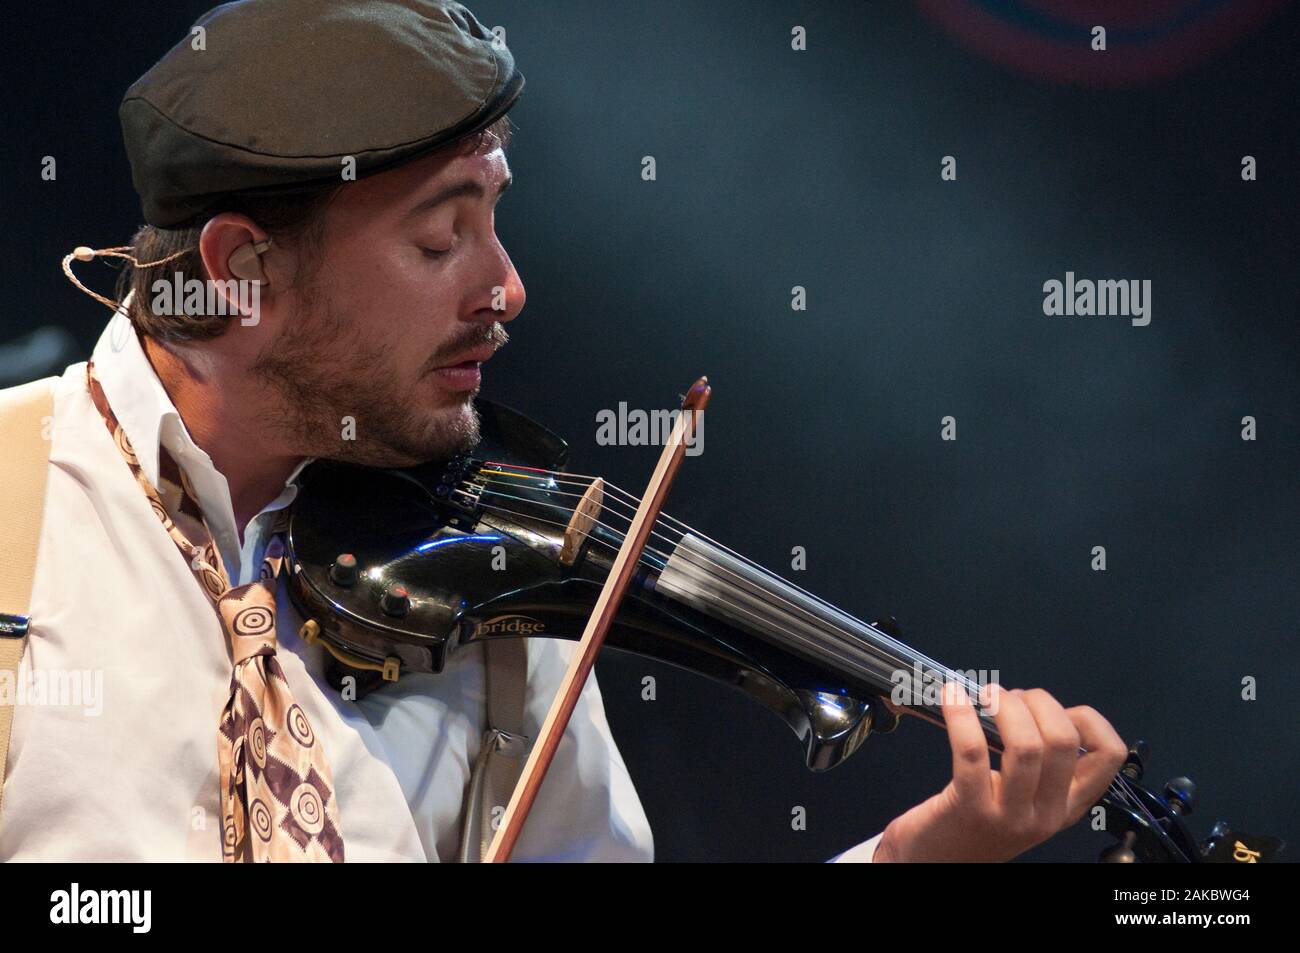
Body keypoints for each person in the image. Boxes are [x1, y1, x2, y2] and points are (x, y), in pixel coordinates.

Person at [0, 0, 1127, 863]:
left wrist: (920, 857)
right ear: (241, 270)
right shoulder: (18, 501)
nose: (506, 287)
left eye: (496, 217)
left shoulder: (489, 588)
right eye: (441, 241)